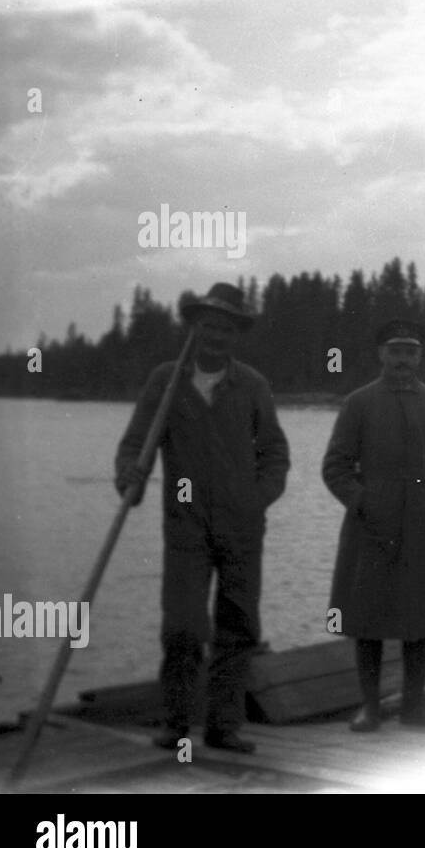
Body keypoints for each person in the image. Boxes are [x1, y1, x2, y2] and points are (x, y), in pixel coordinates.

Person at [115, 282, 290, 753]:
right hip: (185, 526)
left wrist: (258, 498)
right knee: (183, 627)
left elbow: (274, 453)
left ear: (236, 335)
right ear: (193, 329)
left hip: (242, 529)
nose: (216, 336)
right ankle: (176, 724)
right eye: (208, 326)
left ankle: (224, 727)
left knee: (238, 628)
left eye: (226, 328)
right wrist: (129, 478)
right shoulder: (165, 382)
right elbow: (136, 445)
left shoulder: (251, 385)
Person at [322, 318, 425, 732]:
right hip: (373, 529)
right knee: (367, 619)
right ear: (381, 355)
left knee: (419, 618)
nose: (403, 359)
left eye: (410, 350)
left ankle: (414, 708)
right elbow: (335, 467)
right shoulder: (358, 403)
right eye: (395, 350)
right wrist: (363, 502)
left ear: (420, 356)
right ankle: (370, 708)